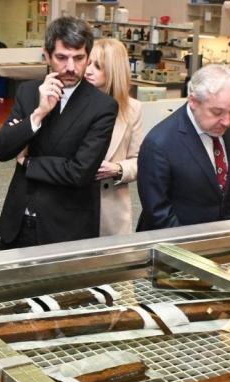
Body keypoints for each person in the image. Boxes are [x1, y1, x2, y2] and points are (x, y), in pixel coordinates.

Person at [0, 16, 117, 249]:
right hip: (17, 223)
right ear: (47, 56)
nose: (71, 67)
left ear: (88, 57)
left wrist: (28, 162)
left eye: (78, 58)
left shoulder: (102, 107)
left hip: (65, 229)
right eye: (61, 58)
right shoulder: (29, 92)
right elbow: (1, 150)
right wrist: (38, 114)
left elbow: (80, 172)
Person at [136, 64, 230, 231]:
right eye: (217, 112)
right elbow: (158, 213)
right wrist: (190, 243)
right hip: (174, 239)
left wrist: (223, 231)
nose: (227, 121)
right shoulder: (159, 144)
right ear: (193, 101)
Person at [84, 38, 142, 236]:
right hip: (72, 201)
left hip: (111, 205)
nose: (88, 71)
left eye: (97, 66)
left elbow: (139, 160)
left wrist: (118, 169)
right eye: (88, 63)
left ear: (114, 71)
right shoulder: (73, 103)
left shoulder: (132, 109)